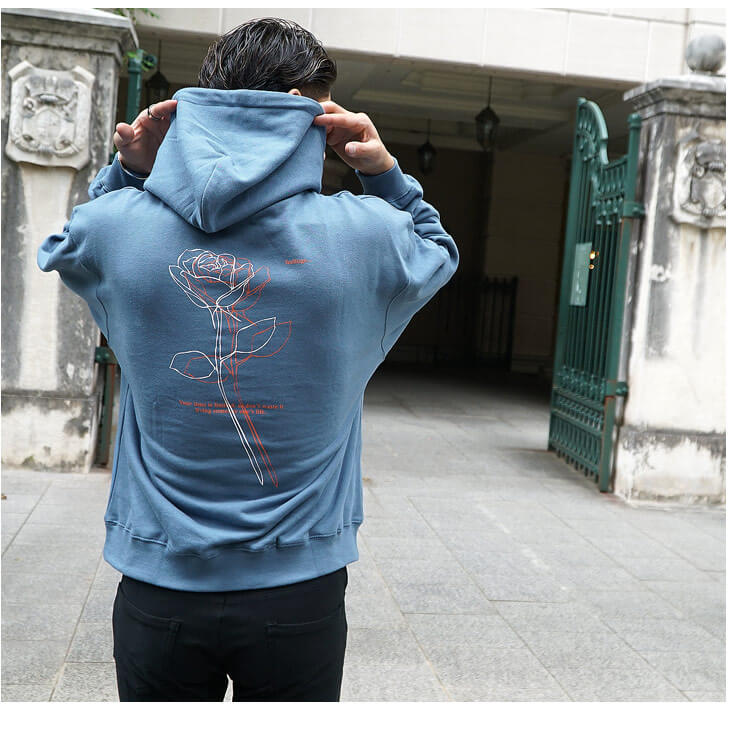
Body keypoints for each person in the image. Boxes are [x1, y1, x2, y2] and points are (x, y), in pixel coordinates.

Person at [38, 17, 458, 702]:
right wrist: (382, 173)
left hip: (158, 585)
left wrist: (131, 171)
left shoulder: (119, 229)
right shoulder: (366, 235)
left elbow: (70, 242)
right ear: (305, 113)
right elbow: (436, 250)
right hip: (299, 589)